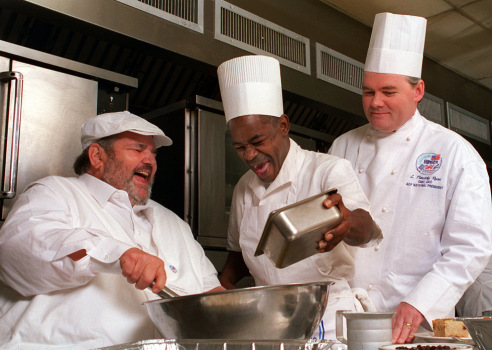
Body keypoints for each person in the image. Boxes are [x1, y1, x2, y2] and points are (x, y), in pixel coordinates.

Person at [328, 12, 492, 344]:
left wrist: (420, 303)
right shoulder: (342, 146)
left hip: (419, 327)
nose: (375, 103)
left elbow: (471, 246)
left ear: (418, 90)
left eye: (388, 91)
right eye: (368, 91)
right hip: (345, 321)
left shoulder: (453, 152)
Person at [0, 111, 224, 349]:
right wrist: (118, 254)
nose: (150, 161)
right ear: (97, 156)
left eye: (153, 153)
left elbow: (212, 297)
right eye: (138, 149)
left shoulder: (174, 224)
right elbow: (16, 252)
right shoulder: (54, 192)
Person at [216, 55, 382, 340]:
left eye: (257, 141)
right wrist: (219, 291)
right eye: (240, 147)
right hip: (268, 322)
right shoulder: (243, 188)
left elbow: (367, 229)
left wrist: (346, 221)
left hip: (328, 321)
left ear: (283, 126)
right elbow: (241, 258)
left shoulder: (326, 170)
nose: (250, 155)